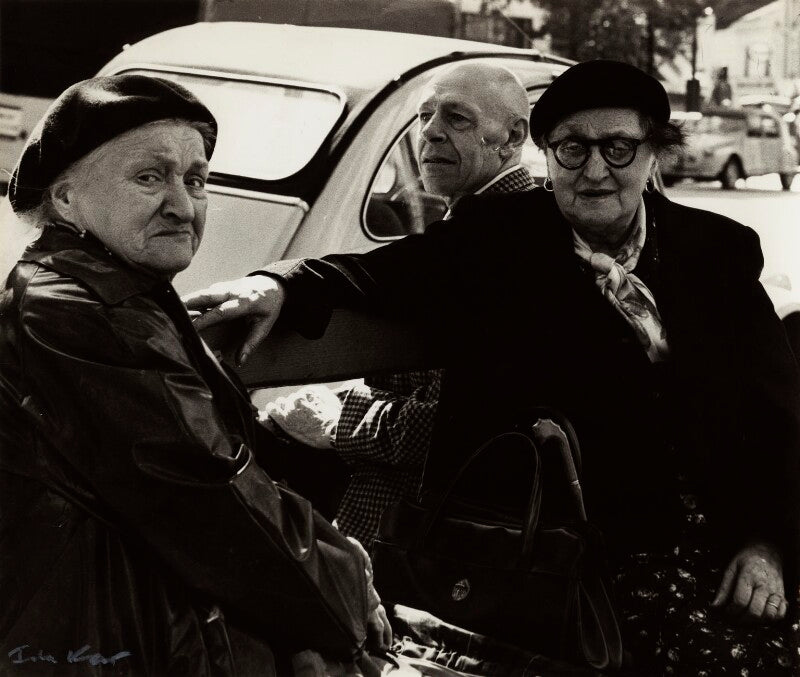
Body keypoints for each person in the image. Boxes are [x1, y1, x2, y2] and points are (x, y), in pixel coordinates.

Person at [186, 60, 800, 673]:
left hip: (724, 531)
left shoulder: (716, 249)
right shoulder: (505, 239)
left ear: (653, 155)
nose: (593, 170)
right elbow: (387, 270)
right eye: (570, 149)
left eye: (618, 149)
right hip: (576, 551)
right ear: (545, 154)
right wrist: (278, 283)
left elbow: (775, 412)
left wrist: (767, 542)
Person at [0, 74, 393, 676]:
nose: (183, 205)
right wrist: (346, 584)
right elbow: (210, 496)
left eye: (196, 180)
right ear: (65, 198)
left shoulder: (102, 288)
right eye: (149, 177)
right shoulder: (82, 310)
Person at [267, 62, 535, 550]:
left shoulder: (501, 239)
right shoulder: (475, 228)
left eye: (457, 118)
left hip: (437, 544)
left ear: (513, 136)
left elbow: (471, 425)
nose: (429, 133)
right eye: (425, 115)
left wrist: (337, 418)